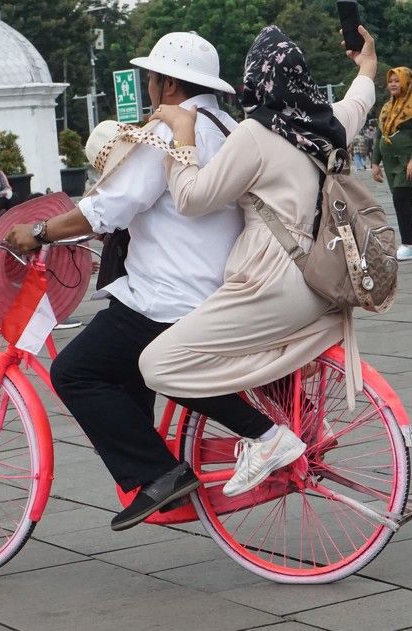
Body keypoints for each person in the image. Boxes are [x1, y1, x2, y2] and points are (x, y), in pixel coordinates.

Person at [3, 31, 244, 531]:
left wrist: (42, 232)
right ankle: (158, 475)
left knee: (74, 371)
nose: (149, 87)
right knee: (120, 362)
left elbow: (110, 207)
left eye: (152, 78)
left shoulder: (167, 131)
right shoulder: (224, 126)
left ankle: (160, 475)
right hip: (215, 287)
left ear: (168, 85)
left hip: (168, 297)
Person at [142, 25, 377, 512]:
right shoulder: (327, 123)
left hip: (271, 283)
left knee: (157, 363)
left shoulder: (257, 135)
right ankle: (309, 421)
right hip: (324, 282)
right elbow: (359, 101)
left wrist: (182, 136)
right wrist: (367, 64)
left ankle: (267, 437)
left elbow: (191, 198)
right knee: (233, 351)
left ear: (254, 85)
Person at [372, 66, 412, 260]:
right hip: (390, 163)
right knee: (405, 201)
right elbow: (380, 134)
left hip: (408, 161)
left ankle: (408, 243)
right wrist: (374, 162)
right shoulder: (387, 107)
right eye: (391, 81)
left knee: (401, 198)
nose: (393, 84)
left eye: (397, 81)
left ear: (407, 82)